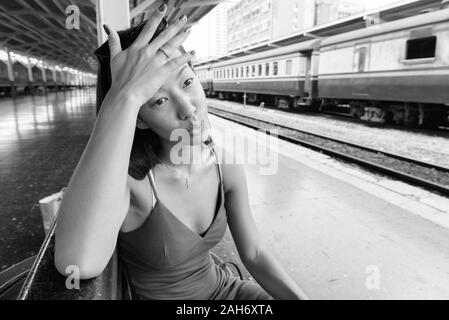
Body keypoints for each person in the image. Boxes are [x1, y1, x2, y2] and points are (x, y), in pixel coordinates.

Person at [54, 4, 307, 300]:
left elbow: (254, 252)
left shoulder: (223, 163)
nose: (188, 108)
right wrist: (123, 96)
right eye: (158, 101)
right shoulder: (130, 184)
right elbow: (77, 263)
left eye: (187, 82)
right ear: (137, 117)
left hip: (228, 293)